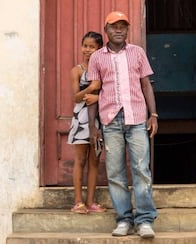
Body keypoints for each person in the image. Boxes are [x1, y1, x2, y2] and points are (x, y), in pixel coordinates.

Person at [86, 11, 159, 238]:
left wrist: (153, 114)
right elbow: (93, 92)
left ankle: (145, 220)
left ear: (127, 30)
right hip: (110, 121)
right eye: (114, 26)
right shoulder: (97, 57)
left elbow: (146, 84)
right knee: (116, 172)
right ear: (106, 29)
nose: (119, 30)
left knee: (141, 170)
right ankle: (124, 220)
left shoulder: (137, 53)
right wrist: (93, 127)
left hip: (137, 119)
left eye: (123, 26)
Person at [67, 31, 106, 214]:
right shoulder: (77, 71)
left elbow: (108, 93)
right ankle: (78, 202)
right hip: (81, 119)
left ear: (99, 48)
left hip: (99, 118)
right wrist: (91, 88)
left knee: (94, 161)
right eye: (85, 46)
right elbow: (76, 98)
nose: (88, 50)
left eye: (92, 47)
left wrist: (97, 97)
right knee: (80, 160)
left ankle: (90, 202)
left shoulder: (103, 70)